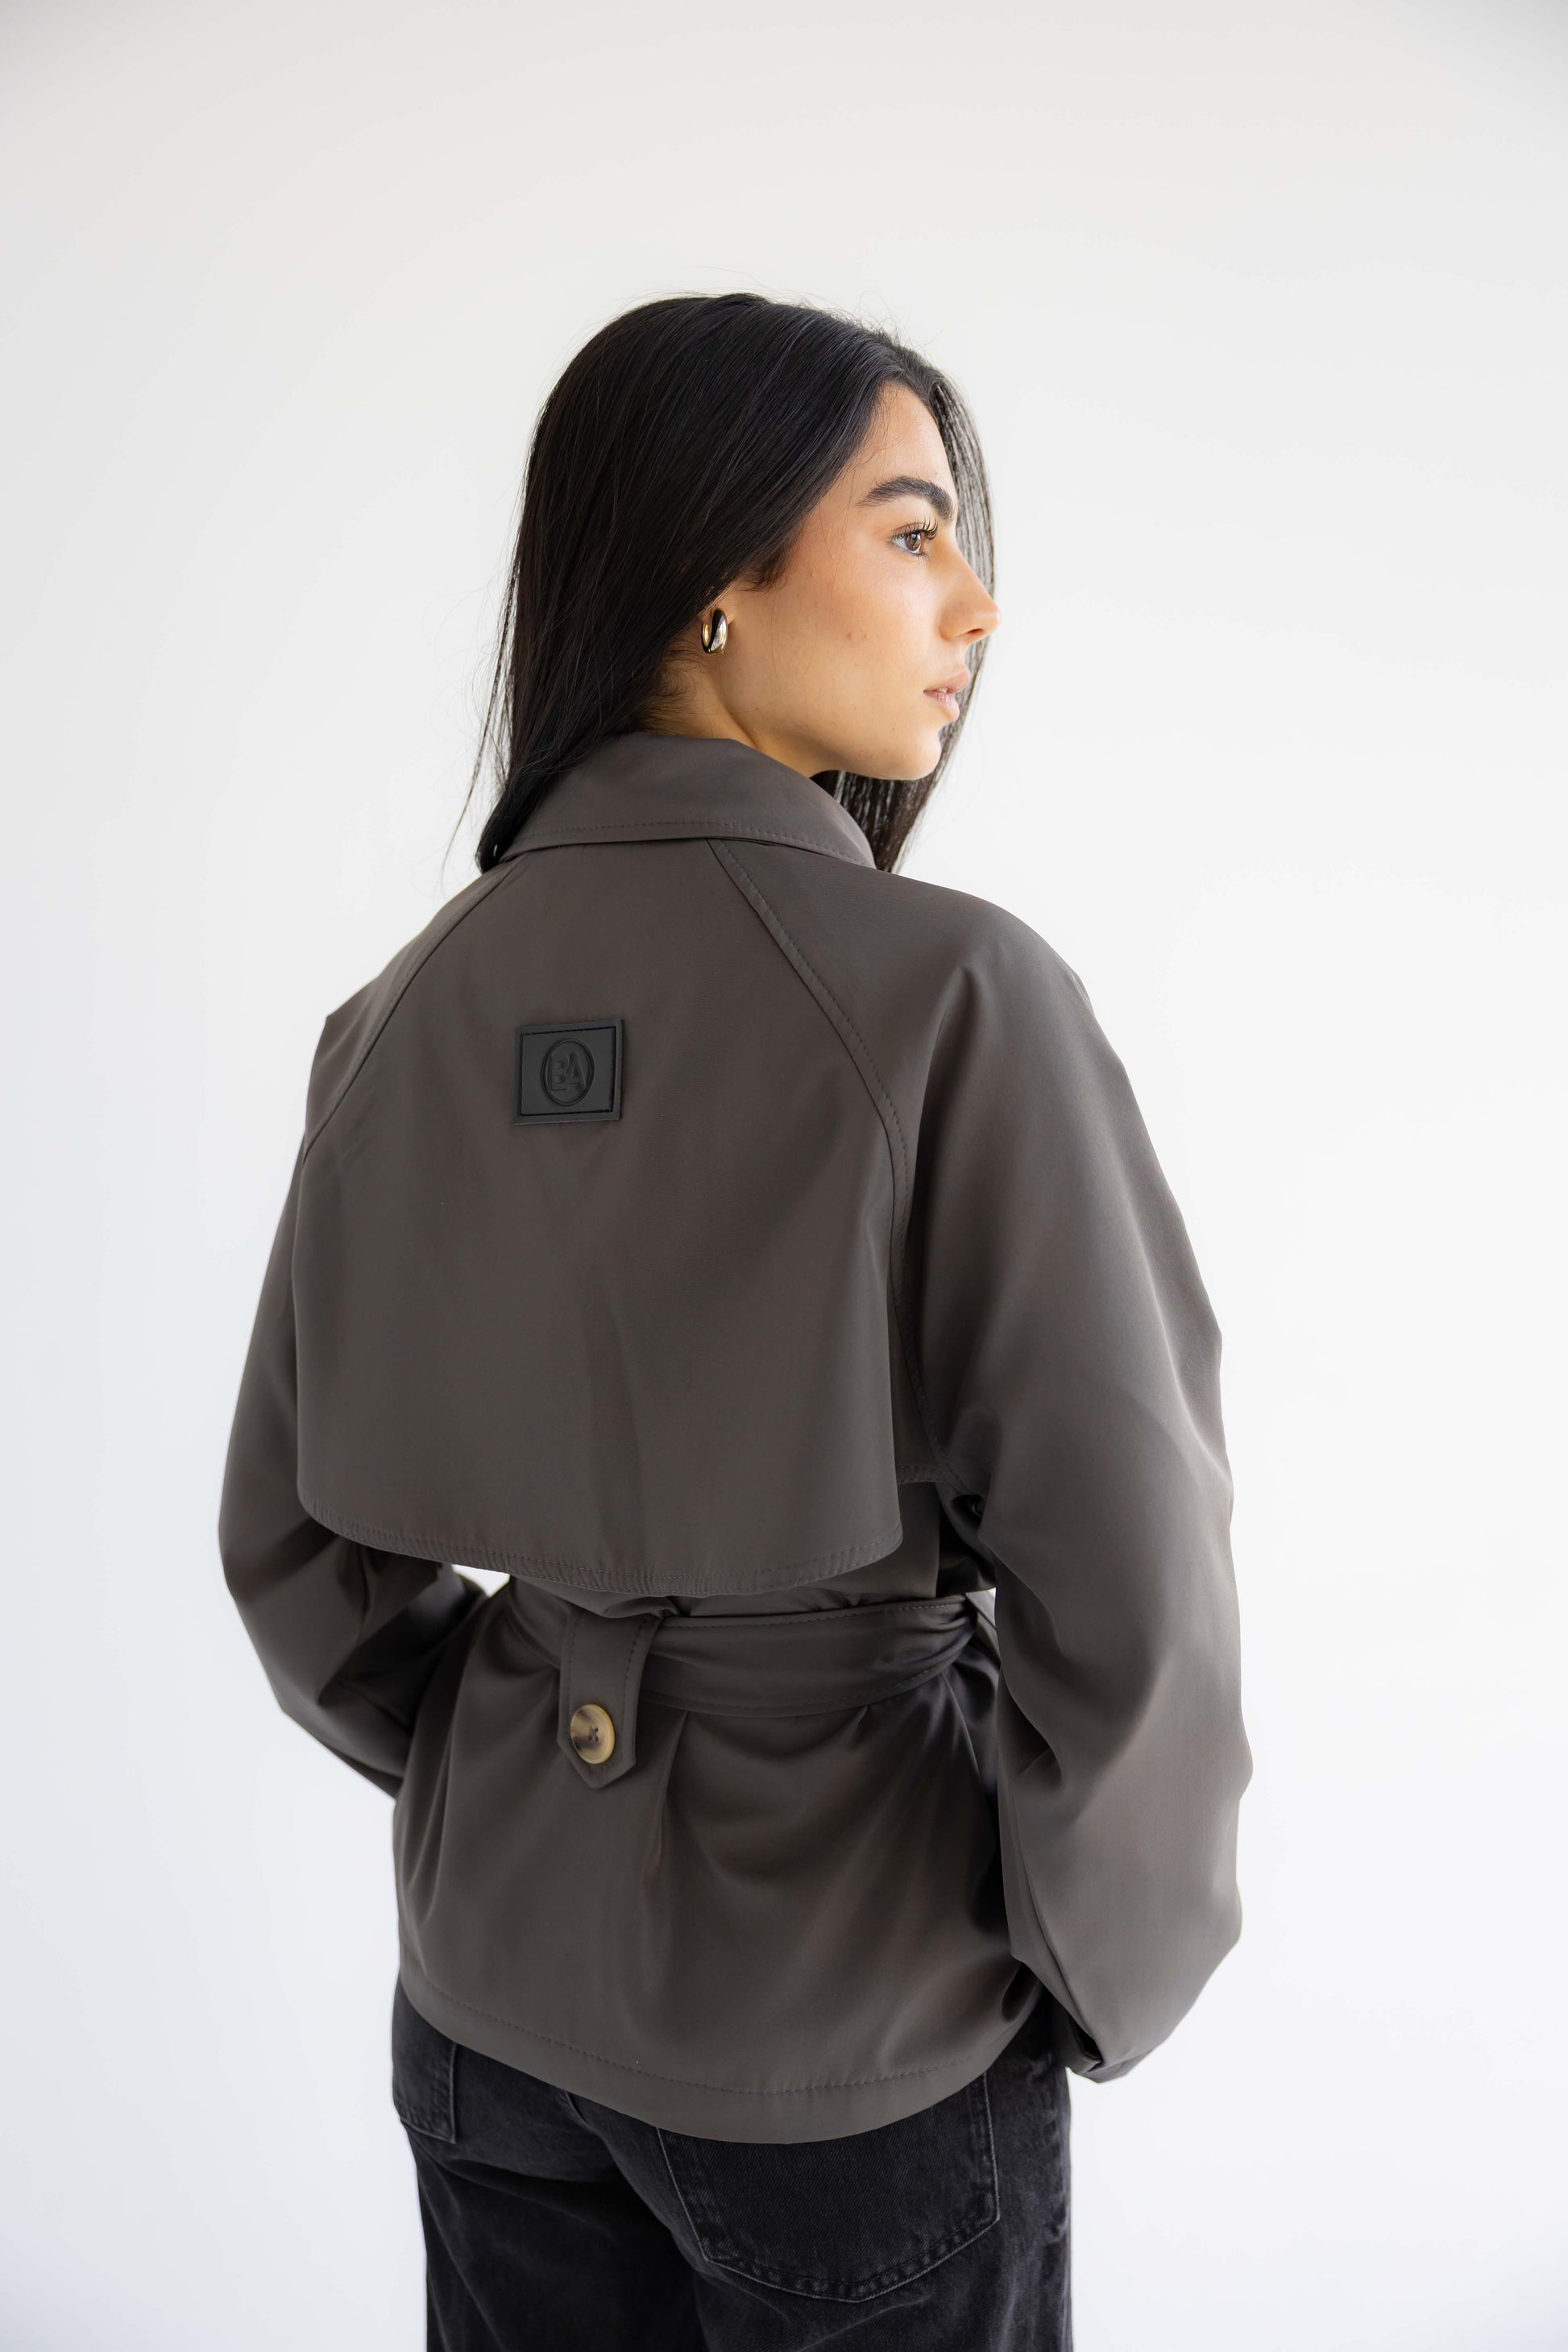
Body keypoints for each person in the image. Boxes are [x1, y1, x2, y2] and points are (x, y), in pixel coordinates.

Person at [218, 292, 1252, 2350]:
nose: (974, 603)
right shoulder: (952, 994)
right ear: (715, 578)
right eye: (910, 530)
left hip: (488, 2010)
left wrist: (514, 1771)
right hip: (854, 2025)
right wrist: (1083, 1962)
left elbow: (293, 1549)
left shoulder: (403, 1006)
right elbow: (1131, 1565)